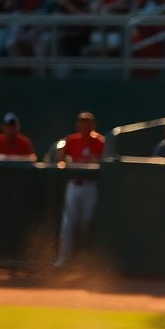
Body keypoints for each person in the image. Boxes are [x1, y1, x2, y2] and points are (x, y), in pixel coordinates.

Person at [53, 112, 104, 269]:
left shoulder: (100, 142)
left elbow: (104, 163)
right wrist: (63, 160)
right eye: (81, 122)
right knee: (67, 223)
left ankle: (85, 261)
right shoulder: (71, 140)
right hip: (74, 186)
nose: (84, 125)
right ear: (77, 124)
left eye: (87, 122)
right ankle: (64, 259)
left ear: (93, 125)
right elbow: (60, 159)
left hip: (90, 186)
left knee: (86, 223)